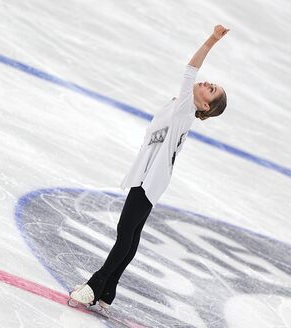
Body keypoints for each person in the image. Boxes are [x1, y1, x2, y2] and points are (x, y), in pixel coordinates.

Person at [68, 25, 230, 314]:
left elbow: (190, 69)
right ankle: (108, 291)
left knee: (125, 233)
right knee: (130, 235)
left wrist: (212, 40)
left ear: (204, 104)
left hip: (150, 179)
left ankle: (95, 285)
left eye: (211, 88)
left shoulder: (185, 107)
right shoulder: (182, 108)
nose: (207, 83)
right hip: (152, 177)